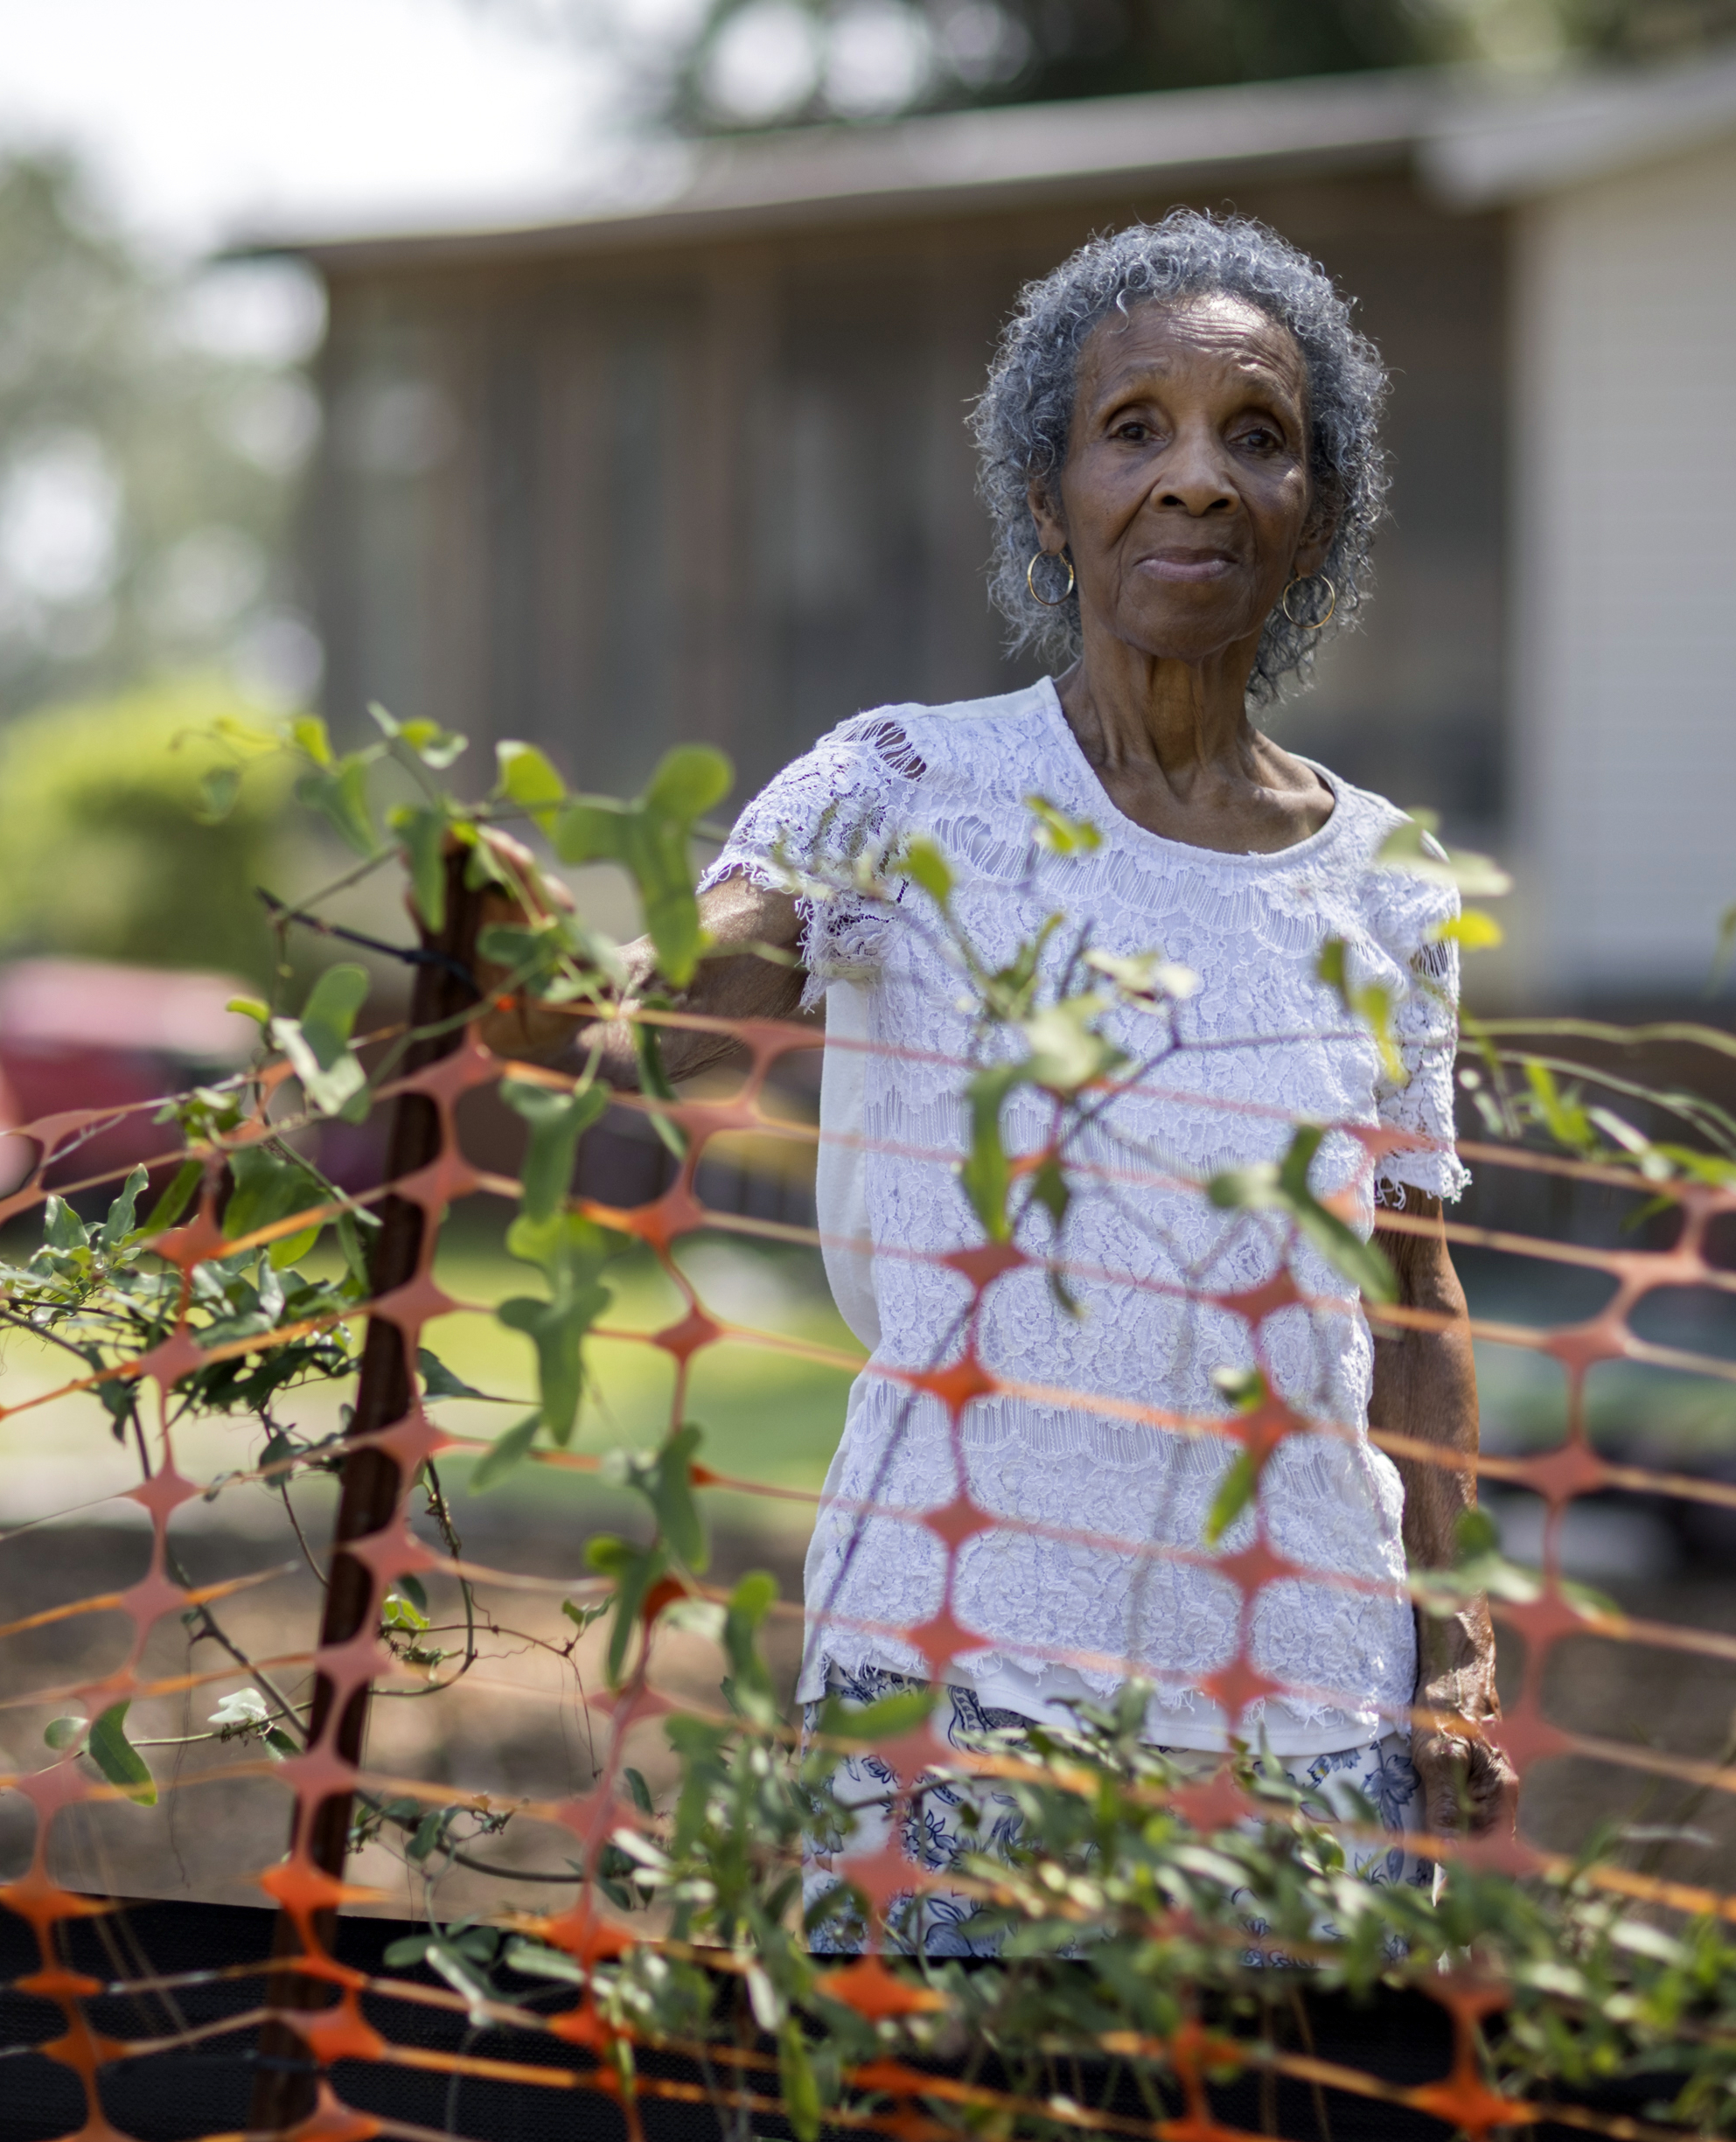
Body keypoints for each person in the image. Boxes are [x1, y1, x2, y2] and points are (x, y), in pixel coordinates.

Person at [478, 209, 1514, 1955]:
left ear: (1312, 516)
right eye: (1134, 430)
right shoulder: (900, 784)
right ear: (1048, 503)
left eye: (1252, 435)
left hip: (1311, 1729)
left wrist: (1460, 1650)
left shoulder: (1390, 885)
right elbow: (701, 994)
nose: (1193, 477)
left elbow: (1409, 1294)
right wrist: (568, 1003)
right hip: (957, 1699)